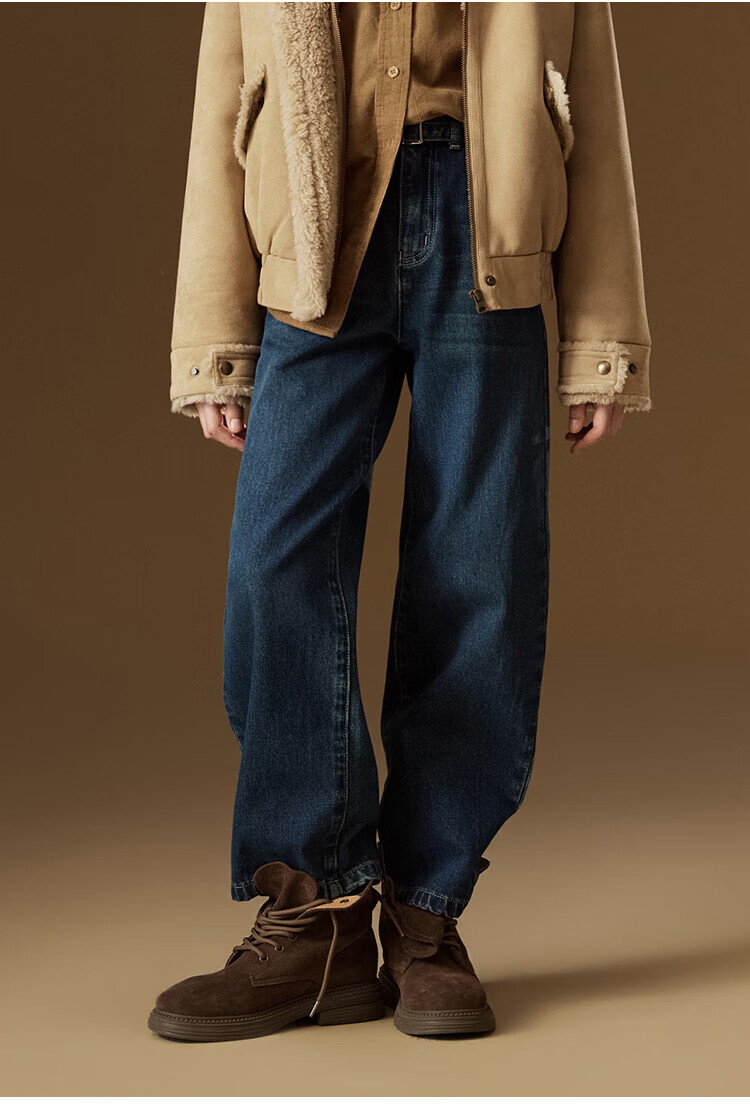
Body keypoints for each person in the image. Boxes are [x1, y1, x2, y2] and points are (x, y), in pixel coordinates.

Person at [149, 1, 651, 1042]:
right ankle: (318, 918)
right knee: (276, 564)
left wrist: (602, 335)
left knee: (478, 569)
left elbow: (591, 104)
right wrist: (212, 336)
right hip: (316, 220)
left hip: (487, 219)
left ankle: (426, 915)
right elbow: (223, 100)